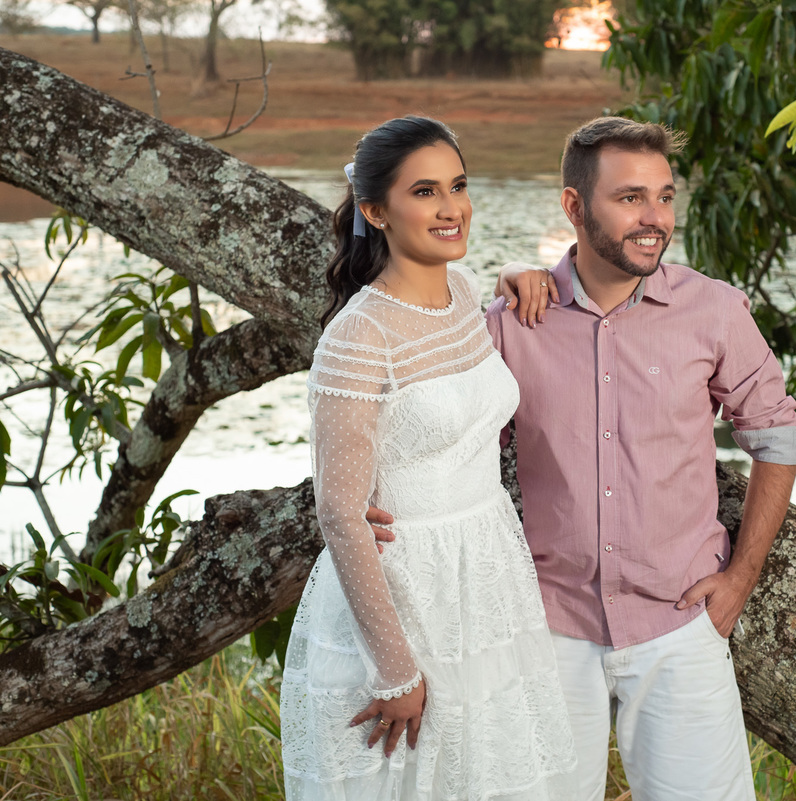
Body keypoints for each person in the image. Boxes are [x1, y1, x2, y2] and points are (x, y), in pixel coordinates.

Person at [379, 116, 796, 800]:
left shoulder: (715, 311)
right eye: (630, 197)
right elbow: (449, 458)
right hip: (547, 631)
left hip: (679, 627)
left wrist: (741, 576)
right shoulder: (513, 325)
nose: (654, 218)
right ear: (575, 206)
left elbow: (777, 436)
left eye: (665, 196)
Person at [279, 115, 577, 801]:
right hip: (405, 596)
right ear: (375, 210)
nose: (451, 208)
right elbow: (340, 512)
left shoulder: (464, 293)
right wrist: (394, 672)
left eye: (458, 185)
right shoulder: (360, 335)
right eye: (425, 192)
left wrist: (516, 273)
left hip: (484, 579)